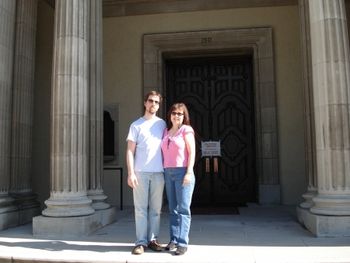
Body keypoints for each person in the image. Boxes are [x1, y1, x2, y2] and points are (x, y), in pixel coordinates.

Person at [126, 91, 166, 255]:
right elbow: (129, 151)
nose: (153, 105)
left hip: (158, 173)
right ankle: (140, 242)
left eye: (156, 102)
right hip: (140, 173)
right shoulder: (136, 125)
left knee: (156, 210)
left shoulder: (163, 124)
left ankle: (153, 240)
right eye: (150, 101)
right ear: (145, 103)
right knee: (140, 209)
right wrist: (131, 173)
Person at [161, 102, 196, 255]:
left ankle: (182, 242)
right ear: (170, 115)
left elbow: (192, 152)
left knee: (183, 209)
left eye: (180, 114)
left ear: (184, 116)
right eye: (174, 113)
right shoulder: (165, 132)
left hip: (183, 172)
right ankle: (173, 239)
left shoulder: (186, 130)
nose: (177, 116)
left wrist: (189, 172)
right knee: (172, 209)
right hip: (168, 172)